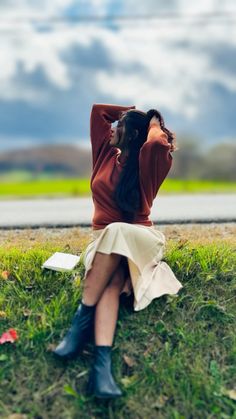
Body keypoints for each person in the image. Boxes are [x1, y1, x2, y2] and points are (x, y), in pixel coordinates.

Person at [53, 103, 183, 398]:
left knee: (116, 230)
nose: (113, 129)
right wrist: (128, 110)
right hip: (102, 245)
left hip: (138, 241)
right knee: (110, 285)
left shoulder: (149, 162)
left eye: (120, 126)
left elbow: (156, 141)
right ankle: (102, 371)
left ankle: (80, 322)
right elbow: (98, 111)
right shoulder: (104, 153)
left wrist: (151, 118)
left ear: (133, 133)